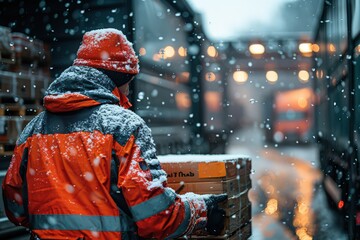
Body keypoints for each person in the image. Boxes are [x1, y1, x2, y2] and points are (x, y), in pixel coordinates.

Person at [2, 28, 227, 239]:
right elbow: (157, 217)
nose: (127, 97)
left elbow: (15, 207)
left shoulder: (33, 130)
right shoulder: (123, 127)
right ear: (117, 81)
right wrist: (200, 210)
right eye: (128, 85)